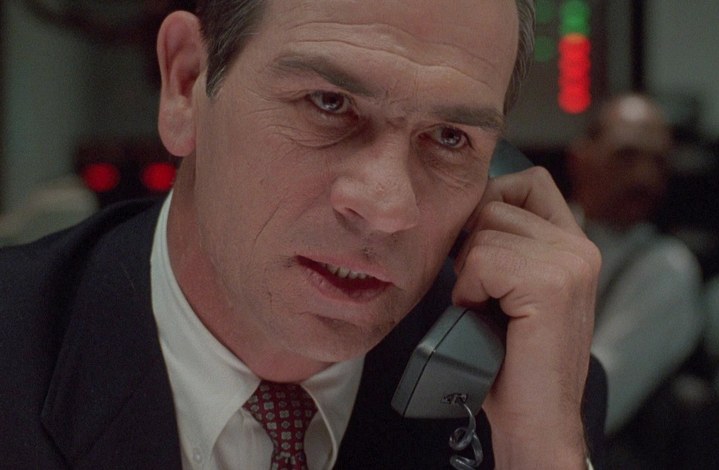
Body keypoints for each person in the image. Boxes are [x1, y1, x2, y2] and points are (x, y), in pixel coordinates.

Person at [0, 1, 607, 469]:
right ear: (185, 85)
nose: (386, 208)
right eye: (328, 102)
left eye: (451, 138)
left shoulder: (524, 394)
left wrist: (540, 451)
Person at [565, 93, 702, 462]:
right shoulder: (541, 238)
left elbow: (599, 402)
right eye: (626, 156)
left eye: (658, 162)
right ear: (579, 159)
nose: (644, 176)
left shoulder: (667, 268)